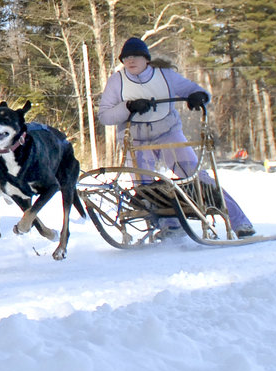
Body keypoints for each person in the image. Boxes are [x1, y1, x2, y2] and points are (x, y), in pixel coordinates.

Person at [98, 37, 255, 237]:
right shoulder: (117, 81)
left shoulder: (165, 76)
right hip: (136, 141)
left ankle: (240, 222)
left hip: (168, 134)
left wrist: (199, 96)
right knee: (144, 188)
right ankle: (170, 227)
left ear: (146, 58)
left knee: (196, 177)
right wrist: (128, 107)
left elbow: (195, 90)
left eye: (136, 56)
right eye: (126, 57)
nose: (130, 60)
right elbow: (105, 116)